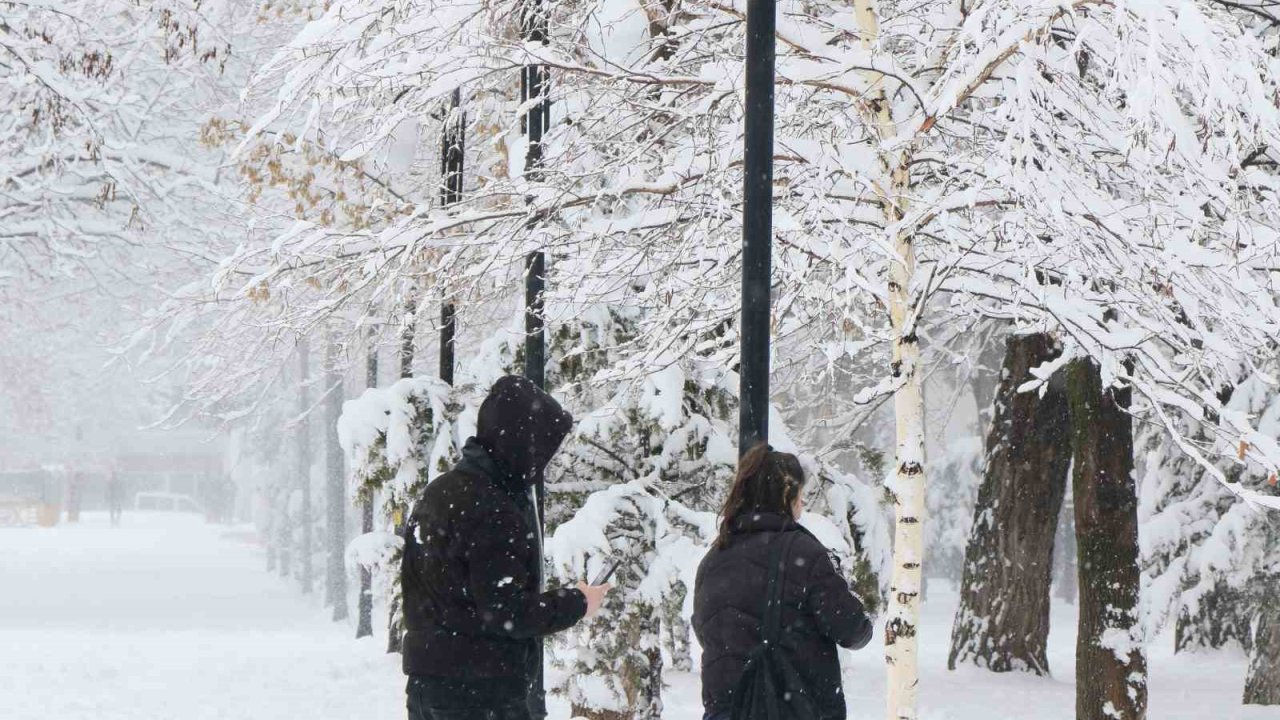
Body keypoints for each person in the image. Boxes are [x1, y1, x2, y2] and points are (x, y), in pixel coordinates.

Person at [400, 375, 612, 720]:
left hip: (430, 687)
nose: (541, 462)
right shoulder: (493, 509)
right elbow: (507, 613)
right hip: (482, 693)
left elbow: (417, 588)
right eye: (540, 447)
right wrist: (578, 602)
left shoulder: (440, 492)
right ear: (520, 442)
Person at [693, 443, 874, 720]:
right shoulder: (803, 553)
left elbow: (707, 631)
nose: (802, 502)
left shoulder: (713, 559)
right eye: (800, 493)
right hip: (791, 709)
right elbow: (852, 629)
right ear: (787, 494)